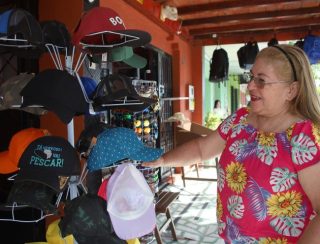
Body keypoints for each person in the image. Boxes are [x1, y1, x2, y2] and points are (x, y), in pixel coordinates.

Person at [143, 44, 320, 243]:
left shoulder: (303, 137)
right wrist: (162, 160)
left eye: (261, 80)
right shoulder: (240, 120)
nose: (250, 86)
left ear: (291, 90)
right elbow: (201, 150)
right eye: (251, 77)